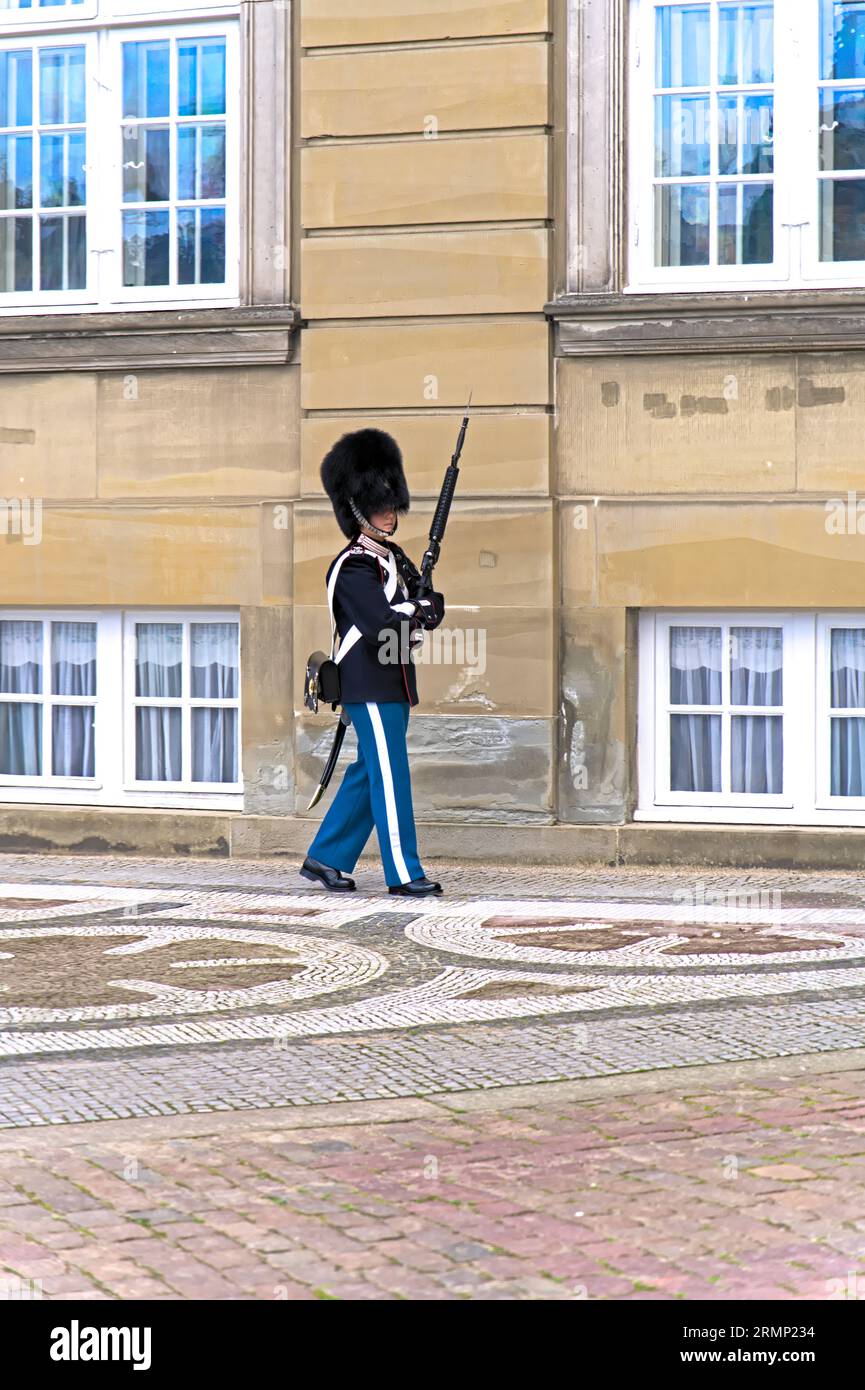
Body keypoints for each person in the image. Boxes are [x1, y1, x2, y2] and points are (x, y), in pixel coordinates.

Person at [301, 428, 446, 897]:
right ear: (358, 509)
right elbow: (383, 623)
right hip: (368, 684)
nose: (390, 512)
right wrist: (417, 611)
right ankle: (403, 873)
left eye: (392, 503)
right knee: (390, 774)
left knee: (369, 772)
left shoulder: (390, 559)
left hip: (393, 682)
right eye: (380, 504)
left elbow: (421, 608)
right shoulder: (353, 565)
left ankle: (326, 857)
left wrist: (426, 604)